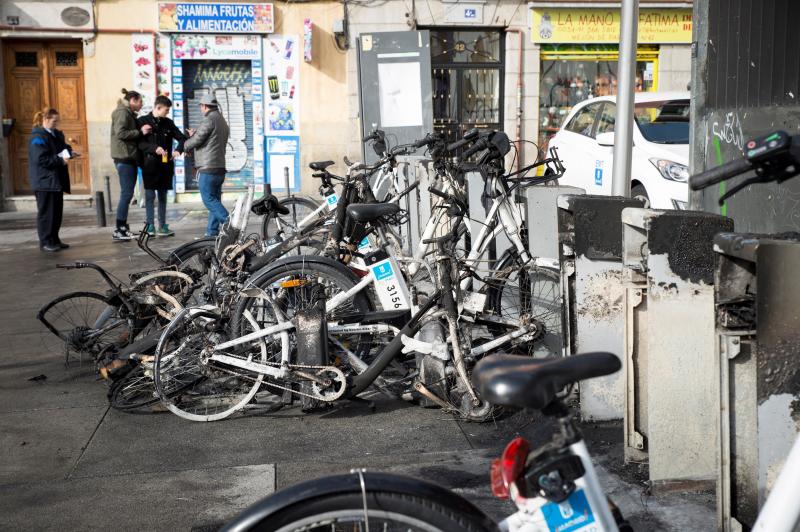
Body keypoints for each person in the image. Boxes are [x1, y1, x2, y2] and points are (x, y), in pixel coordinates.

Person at [137, 95, 187, 237]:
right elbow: (138, 143)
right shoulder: (142, 121)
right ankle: (150, 226)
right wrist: (154, 148)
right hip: (149, 164)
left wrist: (178, 150)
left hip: (165, 165)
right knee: (149, 196)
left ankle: (163, 225)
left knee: (163, 196)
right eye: (166, 110)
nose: (167, 113)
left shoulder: (168, 123)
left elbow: (182, 138)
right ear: (158, 108)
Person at [29, 108, 77, 252]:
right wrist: (60, 160)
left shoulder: (56, 134)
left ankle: (54, 239)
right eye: (54, 121)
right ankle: (45, 241)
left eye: (58, 121)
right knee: (46, 214)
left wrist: (70, 152)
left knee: (56, 213)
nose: (57, 123)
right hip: (44, 181)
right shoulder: (37, 137)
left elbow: (63, 148)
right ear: (45, 120)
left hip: (56, 181)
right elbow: (41, 159)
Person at [183, 94, 230, 237]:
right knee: (215, 199)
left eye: (201, 107)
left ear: (204, 106)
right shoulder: (222, 121)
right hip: (219, 167)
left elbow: (197, 140)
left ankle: (229, 223)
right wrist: (196, 134)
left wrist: (185, 145)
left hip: (208, 168)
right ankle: (211, 232)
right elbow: (211, 140)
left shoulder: (209, 119)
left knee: (208, 199)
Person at [110, 88, 151, 241]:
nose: (142, 105)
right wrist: (140, 132)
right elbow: (120, 133)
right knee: (126, 194)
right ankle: (119, 228)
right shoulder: (122, 112)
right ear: (133, 100)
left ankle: (122, 227)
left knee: (127, 194)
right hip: (124, 157)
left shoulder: (127, 113)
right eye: (140, 101)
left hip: (128, 157)